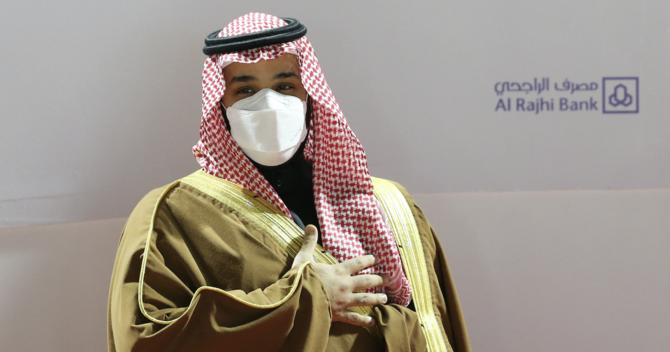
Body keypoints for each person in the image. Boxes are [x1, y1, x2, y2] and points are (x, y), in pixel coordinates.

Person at [108, 13, 470, 352]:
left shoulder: (391, 204)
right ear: (220, 107)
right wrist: (306, 299)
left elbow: (433, 324)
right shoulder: (173, 215)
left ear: (310, 98)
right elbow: (146, 339)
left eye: (285, 85)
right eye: (245, 91)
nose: (269, 103)